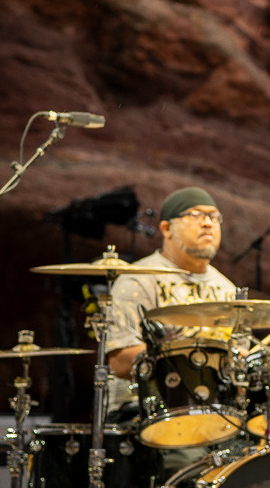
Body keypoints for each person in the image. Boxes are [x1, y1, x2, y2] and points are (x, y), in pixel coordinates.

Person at [105, 186, 239, 476]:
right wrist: (186, 359)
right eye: (196, 216)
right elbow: (118, 360)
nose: (207, 223)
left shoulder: (227, 290)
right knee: (190, 461)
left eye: (215, 218)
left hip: (215, 411)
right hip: (145, 410)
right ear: (166, 228)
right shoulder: (138, 281)